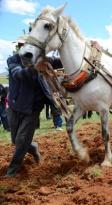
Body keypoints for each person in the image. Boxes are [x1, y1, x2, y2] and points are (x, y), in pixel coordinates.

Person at [5, 36, 54, 177]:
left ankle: (12, 171)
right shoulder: (13, 60)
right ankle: (33, 147)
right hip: (14, 107)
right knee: (16, 140)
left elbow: (62, 59)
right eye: (20, 45)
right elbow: (18, 74)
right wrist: (34, 68)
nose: (23, 48)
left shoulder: (42, 60)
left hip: (32, 109)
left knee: (21, 142)